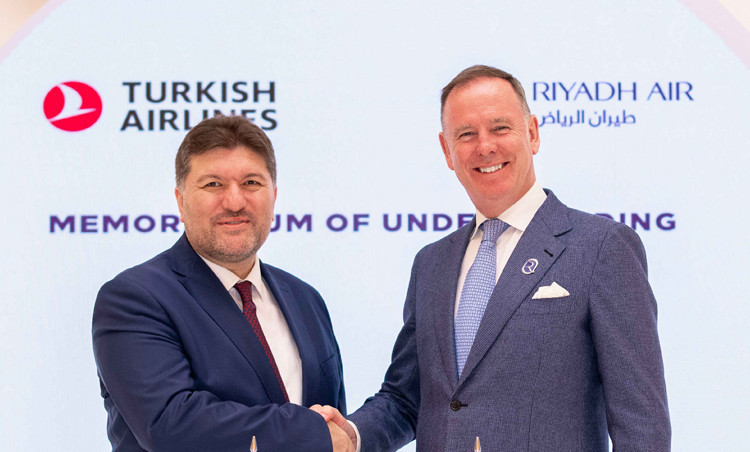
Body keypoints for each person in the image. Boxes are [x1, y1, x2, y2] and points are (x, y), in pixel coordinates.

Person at [315, 65, 671, 451]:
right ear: (447, 150)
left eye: (500, 128)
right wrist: (352, 434)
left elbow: (642, 423)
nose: (485, 146)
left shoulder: (602, 247)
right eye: (466, 134)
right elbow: (406, 399)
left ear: (532, 133)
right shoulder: (431, 264)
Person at [93, 115, 353, 452]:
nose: (234, 202)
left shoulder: (306, 299)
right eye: (213, 184)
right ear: (180, 201)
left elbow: (334, 419)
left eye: (251, 183)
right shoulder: (134, 299)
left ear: (274, 196)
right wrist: (312, 432)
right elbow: (172, 426)